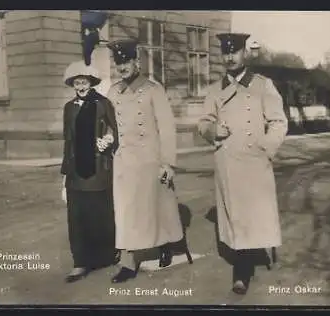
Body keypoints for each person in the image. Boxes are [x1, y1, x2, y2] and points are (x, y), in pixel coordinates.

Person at [198, 33, 288, 295]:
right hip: (228, 162)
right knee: (237, 216)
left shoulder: (263, 86)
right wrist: (214, 130)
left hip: (255, 160)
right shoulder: (215, 90)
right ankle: (242, 271)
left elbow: (279, 122)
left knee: (255, 214)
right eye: (225, 53)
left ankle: (250, 260)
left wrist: (266, 148)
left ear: (244, 54)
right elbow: (202, 123)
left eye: (234, 52)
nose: (229, 57)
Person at [106, 39, 184, 283]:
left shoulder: (153, 89)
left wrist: (167, 163)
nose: (122, 67)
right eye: (118, 62)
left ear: (136, 61)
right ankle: (128, 262)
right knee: (126, 211)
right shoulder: (113, 92)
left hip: (150, 159)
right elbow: (107, 125)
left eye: (126, 61)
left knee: (156, 207)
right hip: (124, 160)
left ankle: (165, 245)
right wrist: (106, 139)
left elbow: (167, 128)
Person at [60, 60, 119, 283]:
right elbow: (68, 141)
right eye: (77, 82)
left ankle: (105, 254)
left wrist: (109, 139)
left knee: (99, 215)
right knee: (76, 218)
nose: (81, 86)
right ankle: (80, 262)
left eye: (84, 82)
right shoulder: (69, 108)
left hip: (97, 171)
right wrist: (64, 177)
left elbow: (115, 130)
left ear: (91, 83)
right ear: (72, 84)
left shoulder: (103, 104)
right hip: (75, 173)